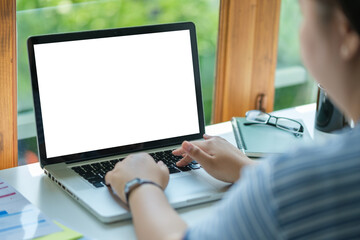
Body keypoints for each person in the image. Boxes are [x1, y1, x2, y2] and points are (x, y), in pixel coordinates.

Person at [105, 0, 360, 239]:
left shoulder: (284, 187)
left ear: (344, 32)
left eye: (304, 15)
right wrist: (248, 168)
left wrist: (140, 184)